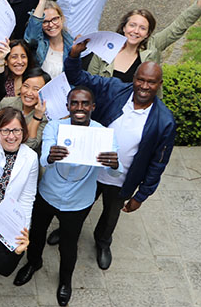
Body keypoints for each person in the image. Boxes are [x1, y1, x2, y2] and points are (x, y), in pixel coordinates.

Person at [62, 41, 175, 270]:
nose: (144, 86)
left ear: (159, 84)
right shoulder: (115, 89)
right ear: (134, 78)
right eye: (140, 79)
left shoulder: (165, 121)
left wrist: (141, 195)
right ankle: (67, 230)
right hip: (91, 169)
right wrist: (74, 55)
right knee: (78, 205)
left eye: (151, 82)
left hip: (122, 179)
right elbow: (78, 78)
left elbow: (158, 163)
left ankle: (103, 242)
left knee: (110, 215)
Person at [13, 86, 119, 306]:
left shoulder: (103, 133)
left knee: (69, 245)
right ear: (68, 106)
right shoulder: (55, 126)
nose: (79, 108)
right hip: (48, 194)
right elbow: (43, 160)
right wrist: (51, 156)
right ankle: (33, 263)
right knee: (37, 233)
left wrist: (114, 164)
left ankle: (65, 281)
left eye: (85, 103)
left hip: (78, 201)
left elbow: (112, 172)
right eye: (75, 103)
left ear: (93, 107)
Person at [86, 0, 201, 82]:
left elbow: (179, 25)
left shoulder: (153, 46)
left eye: (142, 28)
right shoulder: (104, 49)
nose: (136, 31)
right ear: (124, 27)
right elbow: (89, 84)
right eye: (132, 25)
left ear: (147, 34)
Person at [0, 68, 50, 151]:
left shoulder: (45, 116)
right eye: (26, 86)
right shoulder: (6, 103)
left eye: (36, 89)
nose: (29, 93)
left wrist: (37, 117)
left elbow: (29, 144)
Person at [26, 0, 75, 80]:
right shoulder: (39, 43)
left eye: (55, 19)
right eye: (45, 22)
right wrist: (42, 1)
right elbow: (31, 38)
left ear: (61, 18)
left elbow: (75, 77)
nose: (51, 25)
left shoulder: (71, 45)